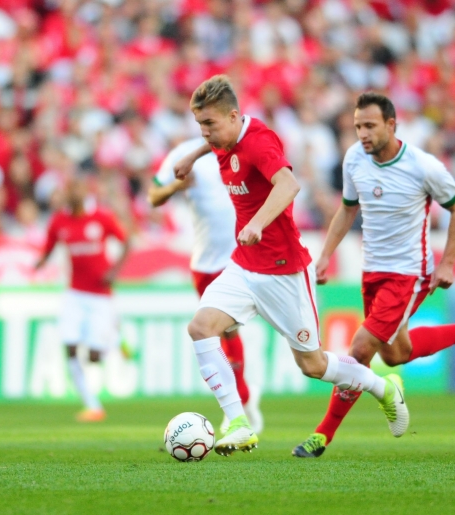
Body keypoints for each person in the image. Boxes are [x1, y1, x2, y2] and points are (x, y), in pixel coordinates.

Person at [173, 75, 409, 456]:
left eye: (209, 124)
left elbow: (288, 185)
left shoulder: (259, 142)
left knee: (313, 365)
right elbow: (213, 141)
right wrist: (191, 157)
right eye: (200, 124)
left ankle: (383, 387)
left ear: (233, 117)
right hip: (243, 266)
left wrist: (257, 223)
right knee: (201, 327)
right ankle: (239, 423)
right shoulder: (223, 137)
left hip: (284, 271)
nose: (205, 133)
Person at [292, 93, 455, 458]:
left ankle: (322, 435)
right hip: (372, 270)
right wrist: (325, 255)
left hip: (408, 274)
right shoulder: (354, 158)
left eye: (370, 126)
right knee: (395, 354)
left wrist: (448, 262)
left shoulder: (423, 166)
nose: (362, 134)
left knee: (360, 350)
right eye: (358, 126)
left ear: (391, 125)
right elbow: (347, 210)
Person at [148, 137, 263, 434]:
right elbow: (153, 196)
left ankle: (239, 403)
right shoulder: (184, 154)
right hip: (204, 263)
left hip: (237, 259)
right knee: (215, 334)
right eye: (204, 122)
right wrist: (176, 186)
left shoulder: (244, 146)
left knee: (228, 330)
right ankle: (243, 400)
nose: (209, 126)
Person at [34, 174, 130, 422]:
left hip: (100, 295)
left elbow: (127, 241)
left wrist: (114, 271)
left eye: (78, 188)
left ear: (86, 191)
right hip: (75, 293)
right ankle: (92, 406)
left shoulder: (102, 217)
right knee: (70, 347)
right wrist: (39, 263)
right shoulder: (59, 221)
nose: (74, 193)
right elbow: (49, 248)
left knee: (94, 357)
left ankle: (114, 338)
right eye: (71, 188)